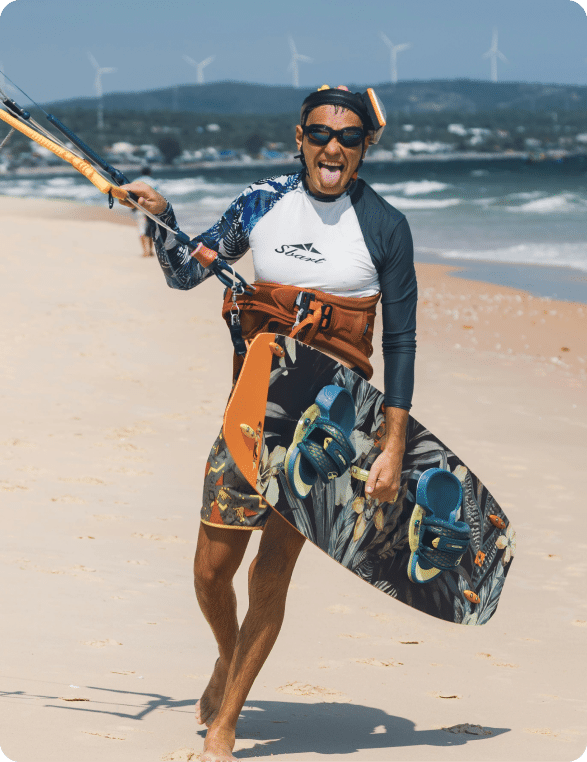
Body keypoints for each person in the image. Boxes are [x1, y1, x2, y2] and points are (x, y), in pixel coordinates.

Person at [120, 84, 417, 762]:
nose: (331, 146)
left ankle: (225, 723)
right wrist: (162, 214)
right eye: (318, 133)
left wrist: (393, 444)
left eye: (345, 136)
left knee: (271, 576)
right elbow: (183, 271)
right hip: (250, 414)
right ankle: (229, 658)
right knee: (208, 571)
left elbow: (399, 343)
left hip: (326, 430)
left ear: (364, 145)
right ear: (299, 137)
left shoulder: (385, 227)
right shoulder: (260, 204)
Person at [133, 165, 159, 257]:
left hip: (139, 207)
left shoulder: (135, 181)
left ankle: (145, 251)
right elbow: (156, 197)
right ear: (150, 173)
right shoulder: (153, 182)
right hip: (150, 208)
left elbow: (132, 195)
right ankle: (151, 250)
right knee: (151, 229)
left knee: (141, 229)